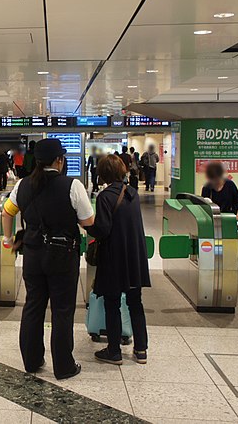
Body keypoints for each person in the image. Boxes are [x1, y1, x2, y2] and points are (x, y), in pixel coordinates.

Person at [1, 139, 94, 380]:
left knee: (33, 307)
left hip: (32, 254)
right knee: (62, 311)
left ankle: (32, 361)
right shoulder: (72, 185)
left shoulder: (22, 185)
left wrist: (9, 238)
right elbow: (88, 221)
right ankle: (64, 366)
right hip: (62, 255)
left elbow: (7, 211)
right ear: (59, 160)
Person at [87, 155, 150, 366]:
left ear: (102, 173)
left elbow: (103, 229)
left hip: (114, 257)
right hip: (135, 257)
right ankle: (141, 350)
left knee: (112, 303)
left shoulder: (105, 196)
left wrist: (86, 226)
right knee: (135, 302)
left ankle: (114, 351)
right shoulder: (133, 193)